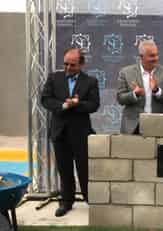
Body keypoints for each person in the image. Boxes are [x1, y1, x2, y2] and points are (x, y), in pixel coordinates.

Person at [41, 48, 100, 217]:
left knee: (85, 169)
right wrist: (64, 106)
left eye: (72, 65)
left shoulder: (91, 81)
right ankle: (66, 201)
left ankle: (91, 200)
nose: (67, 68)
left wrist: (77, 105)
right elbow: (45, 99)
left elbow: (94, 105)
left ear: (81, 64)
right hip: (60, 132)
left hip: (81, 133)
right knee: (64, 169)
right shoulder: (54, 78)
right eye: (65, 64)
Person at [117, 39, 163, 134]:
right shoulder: (126, 72)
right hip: (133, 126)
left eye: (157, 54)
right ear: (141, 56)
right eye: (152, 56)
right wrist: (134, 94)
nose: (156, 58)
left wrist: (157, 91)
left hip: (159, 124)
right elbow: (120, 98)